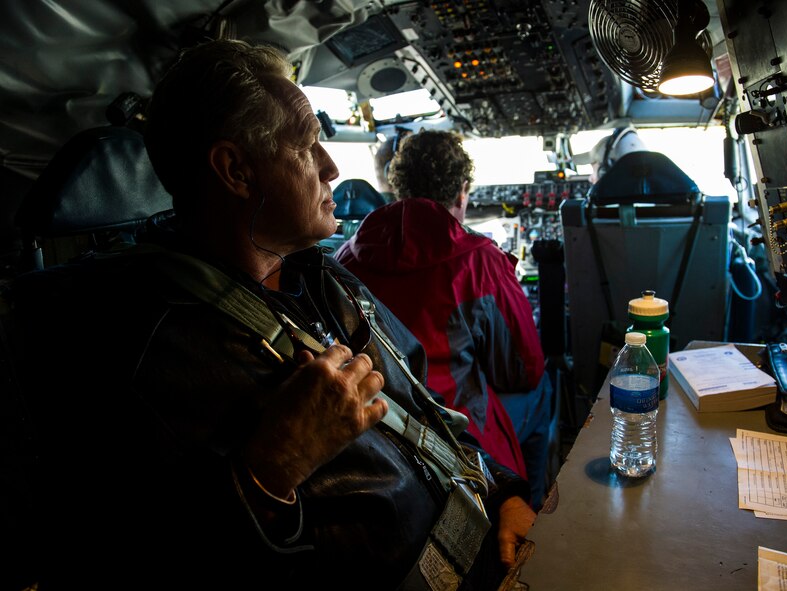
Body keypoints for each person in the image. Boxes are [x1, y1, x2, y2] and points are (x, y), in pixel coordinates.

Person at [9, 39, 535, 589]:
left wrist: (503, 491)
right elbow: (133, 559)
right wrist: (270, 468)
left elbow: (428, 412)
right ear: (236, 169)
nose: (331, 167)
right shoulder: (139, 345)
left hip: (484, 536)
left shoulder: (324, 277)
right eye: (307, 146)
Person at [334, 130, 552, 510]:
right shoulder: (480, 259)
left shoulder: (344, 257)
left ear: (399, 187)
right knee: (543, 386)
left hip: (377, 429)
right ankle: (529, 509)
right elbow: (523, 369)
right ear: (462, 191)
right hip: (457, 435)